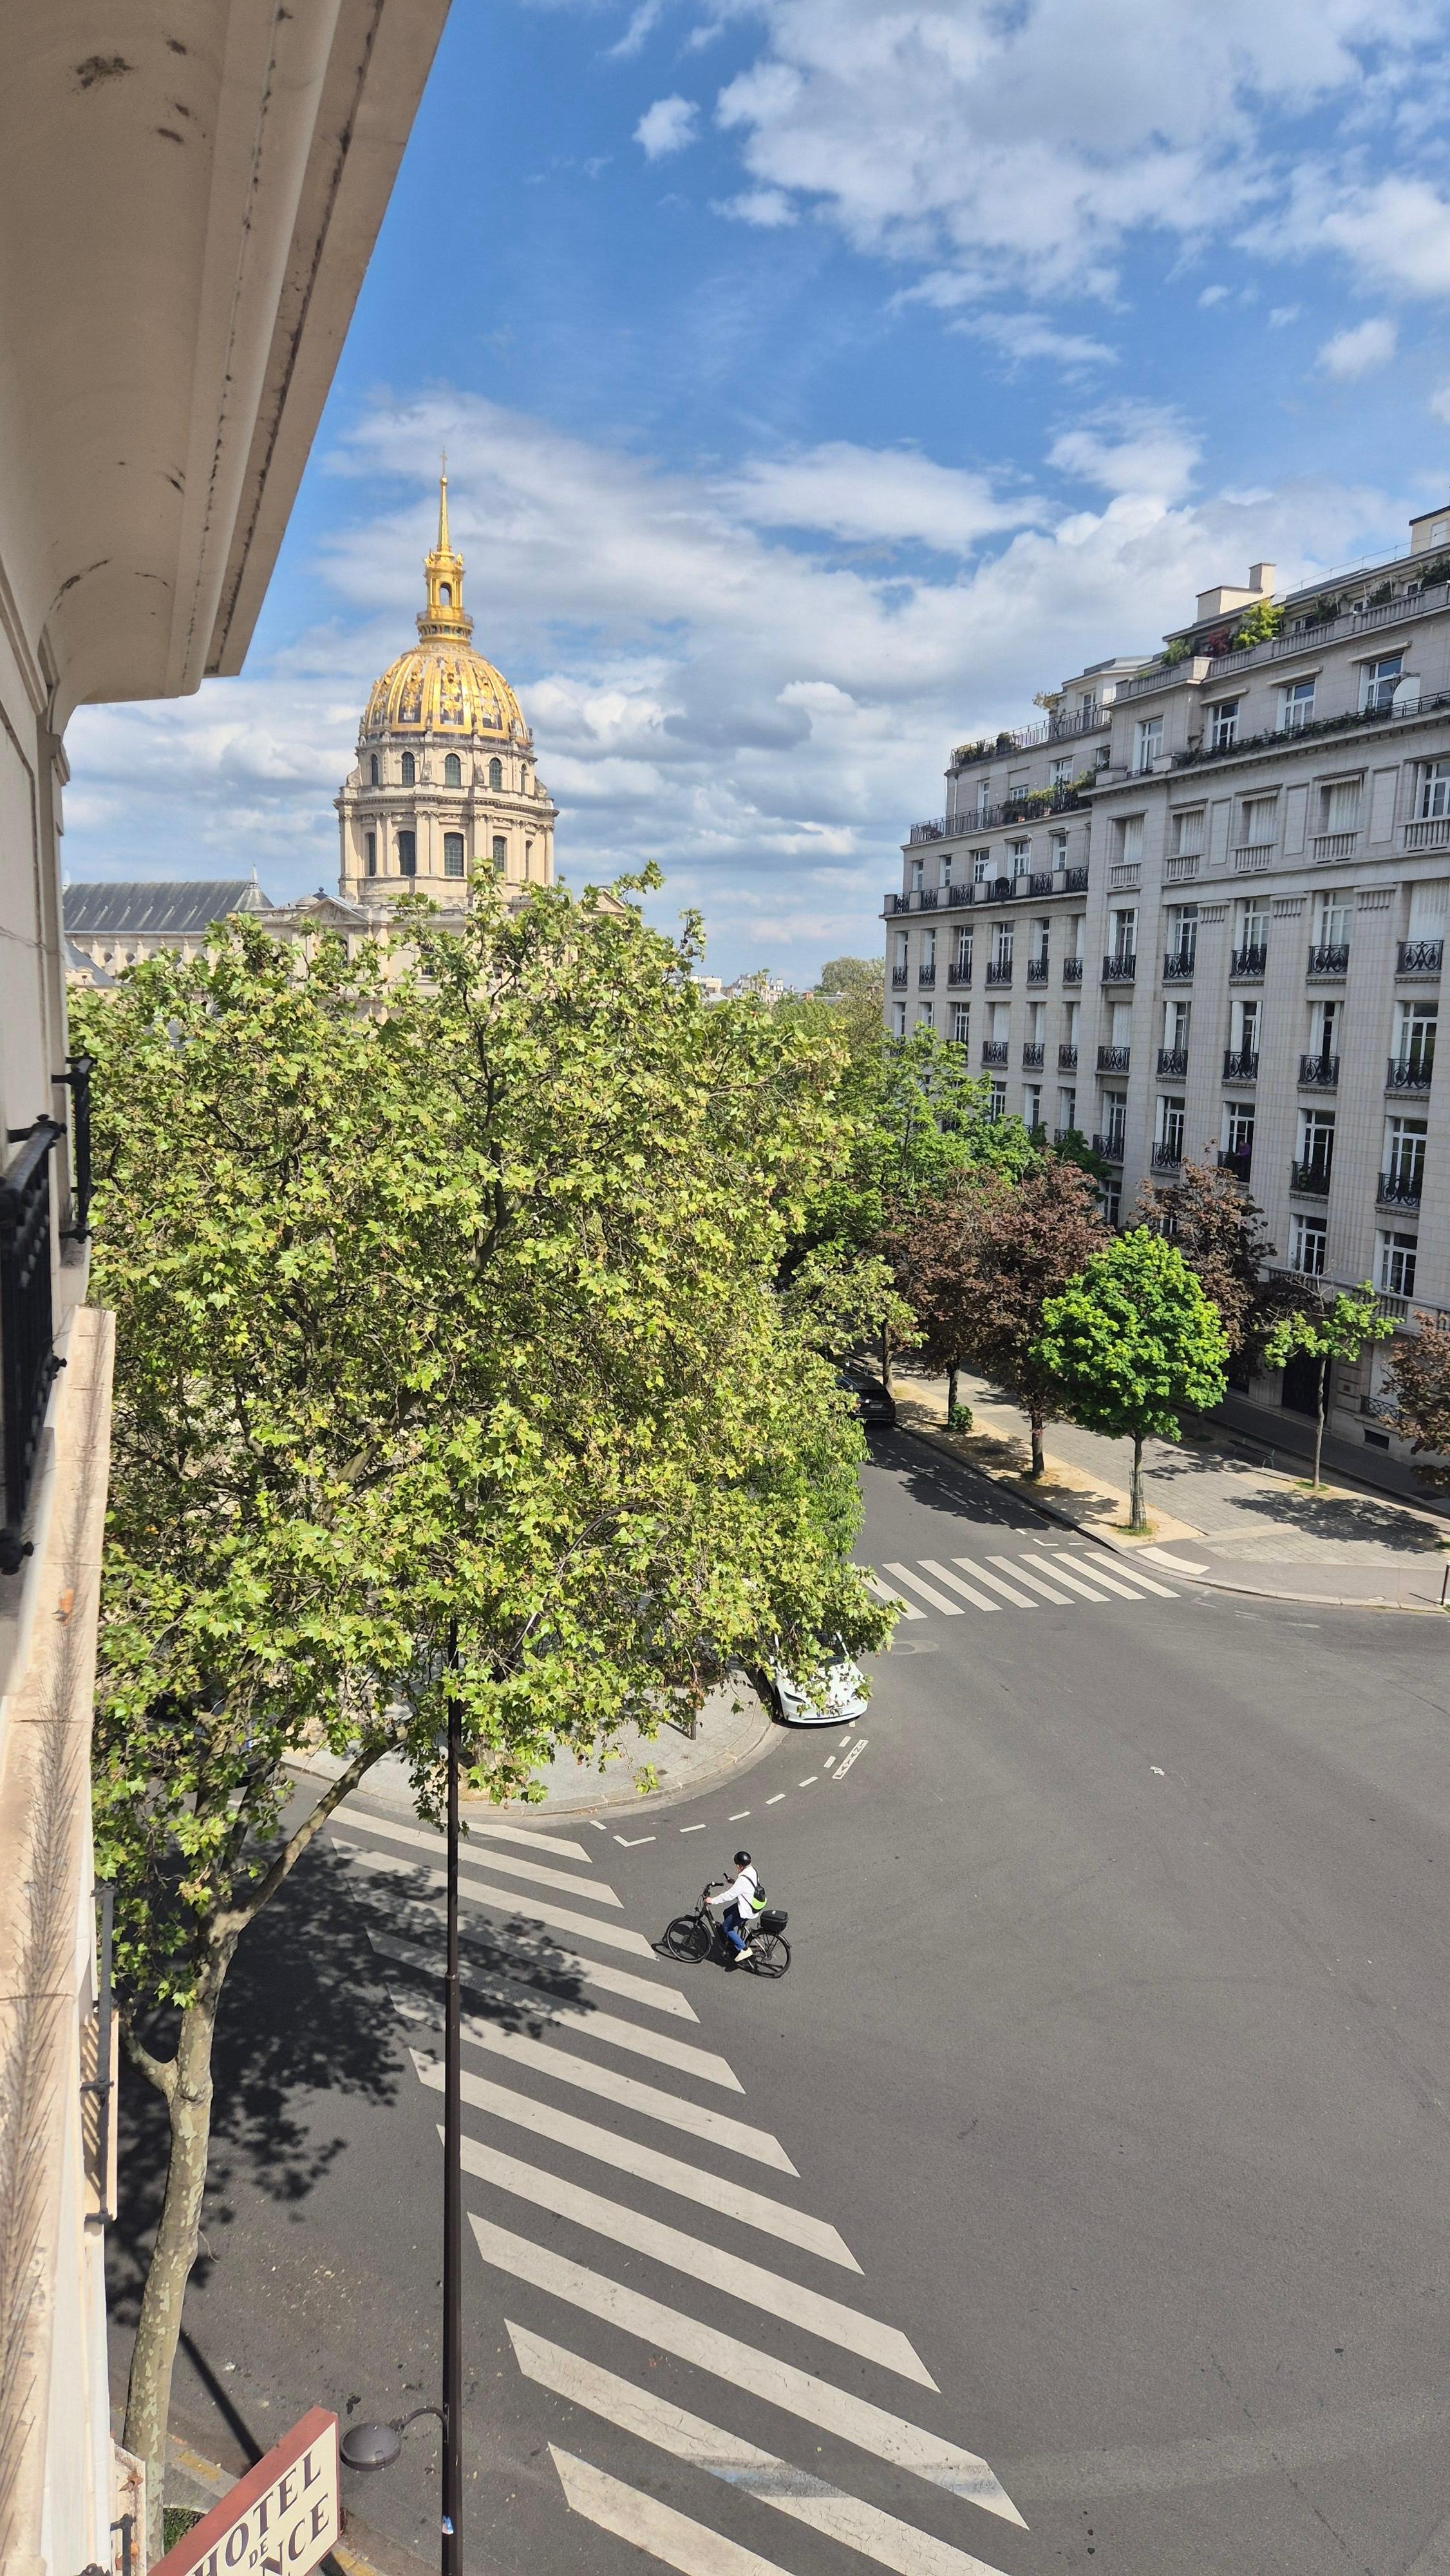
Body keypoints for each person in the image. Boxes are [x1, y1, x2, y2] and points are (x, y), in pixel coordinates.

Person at [708, 1850, 760, 1962]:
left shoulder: (743, 1879)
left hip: (747, 1909)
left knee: (726, 1928)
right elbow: (747, 1886)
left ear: (739, 1866)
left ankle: (744, 1949)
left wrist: (712, 1901)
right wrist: (734, 1882)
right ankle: (732, 1941)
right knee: (727, 1913)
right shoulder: (752, 1871)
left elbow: (729, 1895)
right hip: (752, 1904)